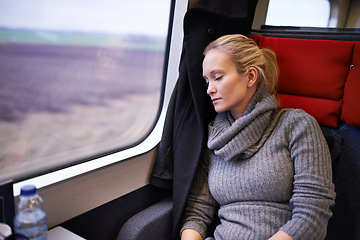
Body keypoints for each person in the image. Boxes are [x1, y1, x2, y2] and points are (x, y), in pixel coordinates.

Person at [180, 34, 336, 240]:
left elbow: (312, 214)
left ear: (251, 77)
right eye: (206, 80)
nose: (209, 89)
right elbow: (198, 210)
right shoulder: (214, 138)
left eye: (217, 77)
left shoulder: (296, 125)